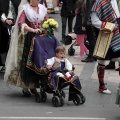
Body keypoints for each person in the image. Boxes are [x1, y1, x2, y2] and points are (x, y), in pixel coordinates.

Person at [4, 0, 61, 97]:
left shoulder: (42, 8)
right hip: (29, 37)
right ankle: (26, 86)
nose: (38, 0)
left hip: (40, 38)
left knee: (39, 59)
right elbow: (21, 24)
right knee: (27, 61)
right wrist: (33, 30)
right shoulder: (25, 9)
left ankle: (36, 84)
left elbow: (46, 20)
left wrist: (49, 27)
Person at [91, 0, 120, 94]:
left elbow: (117, 16)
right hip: (105, 35)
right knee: (101, 61)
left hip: (117, 35)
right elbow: (94, 21)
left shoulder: (114, 1)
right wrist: (110, 26)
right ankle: (101, 86)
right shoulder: (98, 3)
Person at [0, 0, 21, 72]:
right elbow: (1, 12)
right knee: (5, 42)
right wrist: (5, 20)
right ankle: (4, 64)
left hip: (17, 23)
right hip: (4, 24)